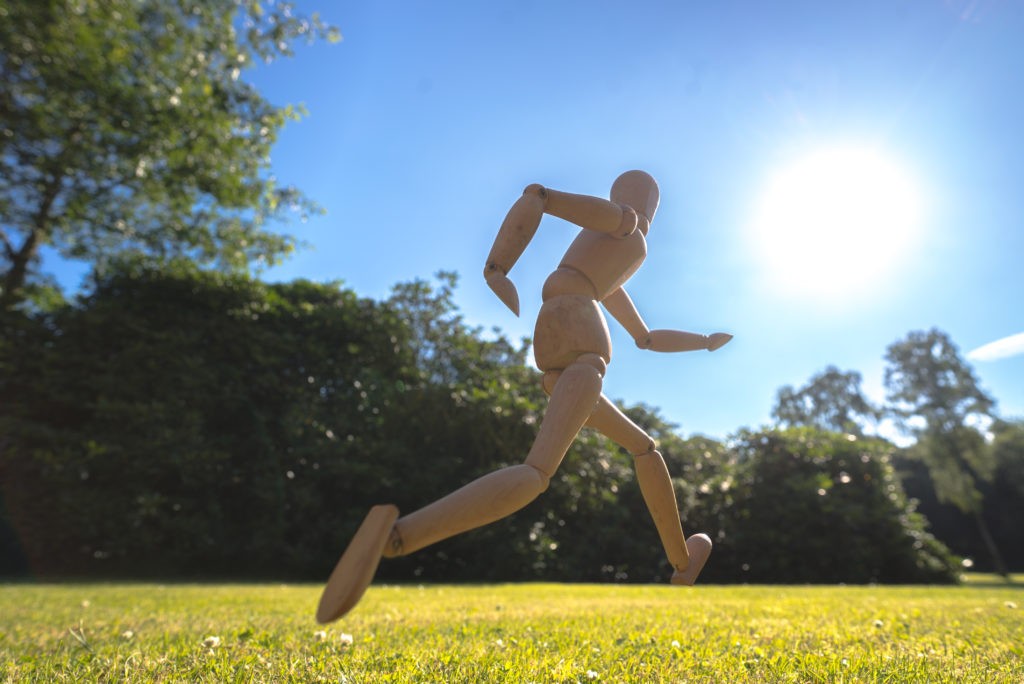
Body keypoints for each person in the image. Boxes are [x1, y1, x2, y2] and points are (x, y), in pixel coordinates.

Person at [317, 170, 732, 623]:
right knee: (537, 471)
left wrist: (705, 340)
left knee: (643, 446)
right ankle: (396, 537)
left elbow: (647, 338)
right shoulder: (625, 223)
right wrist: (498, 268)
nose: (647, 212)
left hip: (559, 342)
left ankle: (680, 564)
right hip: (580, 333)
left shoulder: (609, 264)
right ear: (642, 201)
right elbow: (540, 196)